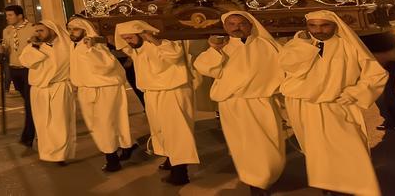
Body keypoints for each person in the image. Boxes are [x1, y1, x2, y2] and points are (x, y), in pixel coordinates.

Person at [280, 10, 387, 196]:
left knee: (351, 149)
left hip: (339, 106)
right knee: (318, 153)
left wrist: (355, 92)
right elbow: (288, 67)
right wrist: (304, 45)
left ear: (335, 25)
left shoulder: (349, 46)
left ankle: (361, 188)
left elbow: (376, 74)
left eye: (324, 25)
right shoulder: (296, 46)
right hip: (306, 107)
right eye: (313, 25)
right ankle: (328, 188)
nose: (318, 30)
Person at [192, 11, 285, 195]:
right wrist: (214, 50)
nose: (236, 28)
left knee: (269, 144)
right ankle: (255, 183)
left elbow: (285, 67)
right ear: (225, 27)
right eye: (231, 24)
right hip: (233, 104)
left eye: (241, 23)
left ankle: (268, 176)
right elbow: (205, 68)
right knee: (243, 144)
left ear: (250, 25)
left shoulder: (266, 45)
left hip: (262, 102)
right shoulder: (222, 47)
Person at [116, 20, 198, 186]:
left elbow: (174, 56)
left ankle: (181, 173)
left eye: (130, 37)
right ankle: (171, 160)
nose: (128, 41)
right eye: (125, 38)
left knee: (176, 131)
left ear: (142, 34)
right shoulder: (137, 49)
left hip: (172, 92)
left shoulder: (164, 44)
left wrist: (153, 39)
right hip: (152, 93)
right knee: (161, 130)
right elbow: (122, 46)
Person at [68, 18, 136, 172]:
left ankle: (112, 159)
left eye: (75, 29)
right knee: (102, 123)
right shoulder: (76, 47)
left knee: (105, 124)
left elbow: (106, 66)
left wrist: (92, 50)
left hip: (104, 88)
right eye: (70, 29)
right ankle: (127, 146)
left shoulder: (96, 47)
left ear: (85, 30)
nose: (71, 32)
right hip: (88, 89)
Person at [20, 21, 76, 165]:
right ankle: (48, 152)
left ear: (52, 30)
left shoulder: (66, 45)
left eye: (41, 30)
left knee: (61, 123)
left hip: (60, 87)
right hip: (39, 90)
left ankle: (61, 155)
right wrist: (35, 48)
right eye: (36, 31)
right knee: (43, 124)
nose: (38, 34)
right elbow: (26, 62)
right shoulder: (33, 46)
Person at [0, 4, 36, 145]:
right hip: (14, 69)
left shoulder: (32, 28)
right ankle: (33, 129)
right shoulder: (7, 31)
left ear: (19, 16)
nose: (7, 18)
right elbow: (6, 47)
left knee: (30, 104)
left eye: (10, 15)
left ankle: (28, 135)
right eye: (6, 15)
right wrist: (1, 49)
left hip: (28, 69)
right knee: (27, 101)